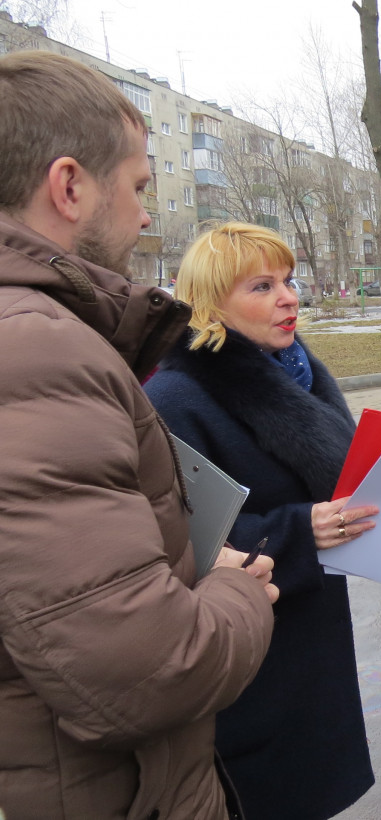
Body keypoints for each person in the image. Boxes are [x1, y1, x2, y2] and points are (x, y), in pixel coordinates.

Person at [0, 51, 276, 819]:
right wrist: (233, 591)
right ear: (69, 186)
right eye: (139, 186)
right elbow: (144, 670)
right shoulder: (35, 350)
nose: (147, 215)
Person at [145, 222, 381, 820]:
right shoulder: (175, 398)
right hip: (245, 660)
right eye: (262, 286)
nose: (290, 296)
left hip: (311, 638)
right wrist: (295, 531)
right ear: (210, 304)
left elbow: (324, 481)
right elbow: (175, 542)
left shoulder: (294, 372)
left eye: (288, 280)